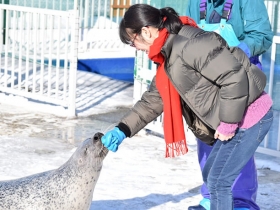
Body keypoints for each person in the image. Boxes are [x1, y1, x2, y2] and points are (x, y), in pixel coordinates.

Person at [101, 4, 273, 210]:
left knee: (219, 181)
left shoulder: (189, 44)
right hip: (227, 114)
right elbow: (154, 100)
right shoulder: (167, 52)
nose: (135, 48)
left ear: (145, 32)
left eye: (132, 42)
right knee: (213, 176)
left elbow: (234, 78)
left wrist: (228, 123)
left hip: (249, 115)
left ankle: (243, 204)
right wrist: (123, 129)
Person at [185, 0, 274, 209]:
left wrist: (237, 50)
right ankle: (210, 196)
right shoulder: (195, 2)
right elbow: (187, 33)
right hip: (206, 83)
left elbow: (262, 36)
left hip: (240, 80)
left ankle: (242, 201)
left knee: (239, 143)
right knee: (207, 139)